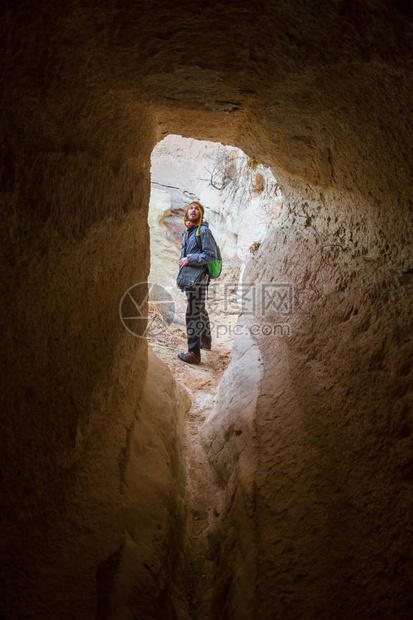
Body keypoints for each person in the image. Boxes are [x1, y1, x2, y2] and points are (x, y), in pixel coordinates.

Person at [177, 201, 217, 364]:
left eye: (197, 209)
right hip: (190, 277)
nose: (193, 210)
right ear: (187, 212)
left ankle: (194, 353)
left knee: (192, 313)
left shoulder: (204, 231)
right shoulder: (187, 231)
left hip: (199, 278)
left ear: (200, 213)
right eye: (191, 208)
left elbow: (210, 255)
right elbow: (183, 258)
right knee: (199, 308)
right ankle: (205, 343)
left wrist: (190, 259)